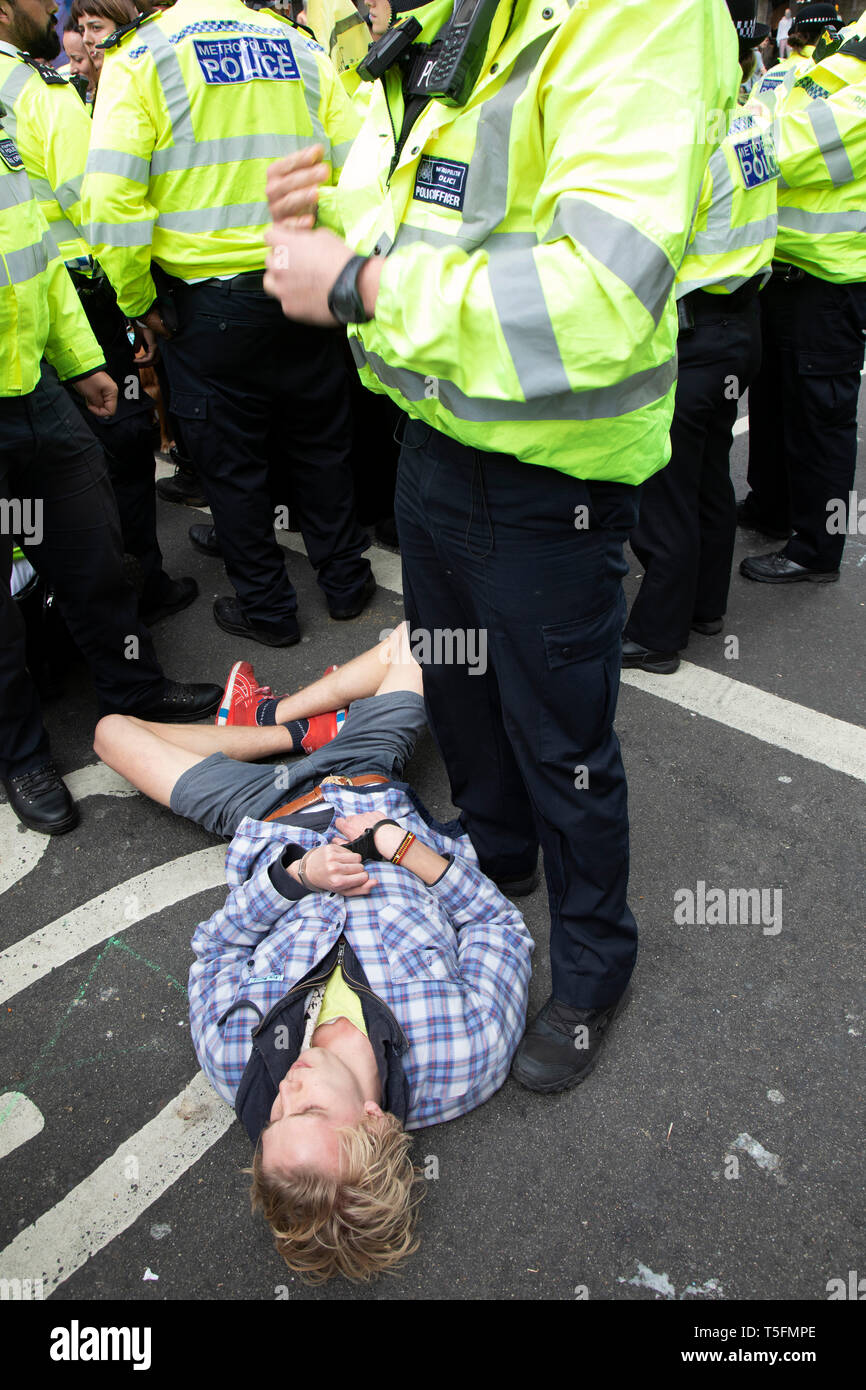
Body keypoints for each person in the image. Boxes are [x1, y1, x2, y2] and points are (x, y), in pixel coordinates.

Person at [262, 0, 741, 1093]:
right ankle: (497, 856)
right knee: (464, 697)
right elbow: (436, 215)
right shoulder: (469, 16)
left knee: (562, 744)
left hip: (548, 481)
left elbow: (600, 294)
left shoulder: (644, 15)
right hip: (432, 448)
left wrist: (356, 283)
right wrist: (329, 211)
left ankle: (590, 966)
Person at [92, 625, 534, 1282]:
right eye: (307, 1109)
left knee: (109, 734)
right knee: (433, 635)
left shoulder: (237, 1057)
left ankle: (286, 733)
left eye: (271, 1120)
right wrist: (398, 846)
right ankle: (300, 728)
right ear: (374, 1119)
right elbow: (499, 926)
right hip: (367, 783)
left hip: (266, 816)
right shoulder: (465, 1051)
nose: (283, 1090)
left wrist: (291, 881)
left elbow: (215, 953)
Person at [80, 0, 376, 648]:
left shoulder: (143, 55)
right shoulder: (294, 42)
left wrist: (136, 301)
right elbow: (360, 165)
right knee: (320, 441)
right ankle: (347, 583)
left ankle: (269, 610)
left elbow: (109, 201)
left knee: (232, 464)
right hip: (304, 277)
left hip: (210, 304)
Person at [0, 132, 221, 835]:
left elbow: (32, 257)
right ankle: (22, 755)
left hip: (33, 392)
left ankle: (136, 691)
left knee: (93, 554)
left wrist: (80, 360)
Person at [0, 0, 199, 624]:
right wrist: (135, 303)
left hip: (34, 317)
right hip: (82, 296)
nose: (56, 19)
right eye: (45, 5)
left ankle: (50, 607)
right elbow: (95, 204)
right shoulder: (39, 90)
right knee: (120, 447)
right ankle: (141, 586)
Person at [623, 0, 777, 675]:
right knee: (710, 478)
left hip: (694, 335)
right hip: (742, 326)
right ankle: (705, 606)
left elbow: (653, 243)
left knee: (666, 490)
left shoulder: (694, 132)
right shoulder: (752, 118)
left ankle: (658, 634)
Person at [738, 6, 866, 582]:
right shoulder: (825, 64)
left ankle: (816, 550)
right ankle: (771, 507)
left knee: (821, 419)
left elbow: (781, 151)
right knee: (772, 404)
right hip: (783, 270)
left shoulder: (855, 86)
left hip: (831, 282)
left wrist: (739, 132)